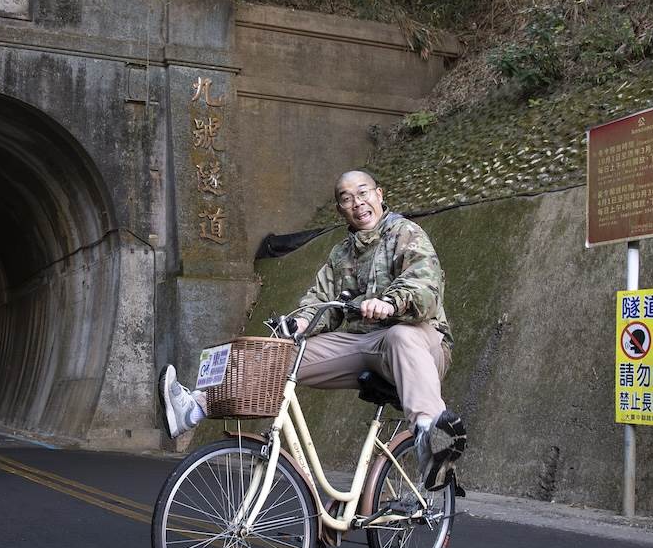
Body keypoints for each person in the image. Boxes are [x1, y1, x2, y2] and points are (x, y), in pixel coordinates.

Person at [159, 170, 466, 490]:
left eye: (363, 193)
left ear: (379, 194)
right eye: (347, 199)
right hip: (364, 343)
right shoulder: (341, 254)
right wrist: (302, 323)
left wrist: (390, 303)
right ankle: (194, 408)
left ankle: (431, 439)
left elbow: (424, 285)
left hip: (420, 340)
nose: (357, 203)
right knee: (283, 354)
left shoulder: (405, 233)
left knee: (400, 335)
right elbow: (320, 301)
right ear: (340, 209)